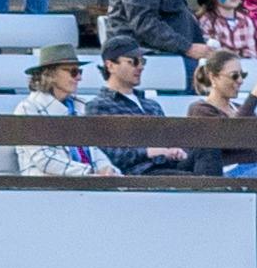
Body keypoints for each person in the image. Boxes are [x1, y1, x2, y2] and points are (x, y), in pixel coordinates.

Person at [78, 36, 189, 173]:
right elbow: (108, 155)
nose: (140, 67)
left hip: (170, 167)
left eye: (142, 61)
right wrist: (149, 152)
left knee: (205, 152)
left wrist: (176, 150)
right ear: (110, 66)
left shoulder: (152, 105)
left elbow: (170, 140)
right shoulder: (99, 106)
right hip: (141, 173)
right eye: (133, 62)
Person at [11, 42, 112, 176]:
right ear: (51, 74)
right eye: (73, 72)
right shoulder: (28, 108)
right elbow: (44, 159)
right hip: (48, 189)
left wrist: (107, 169)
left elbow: (95, 150)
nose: (79, 78)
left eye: (79, 72)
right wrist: (89, 172)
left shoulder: (81, 106)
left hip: (88, 184)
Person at [184, 46, 257, 177]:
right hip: (232, 173)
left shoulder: (240, 109)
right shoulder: (200, 109)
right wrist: (253, 99)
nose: (240, 81)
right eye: (234, 76)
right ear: (213, 77)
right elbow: (229, 139)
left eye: (242, 75)